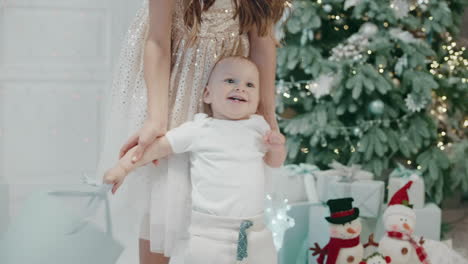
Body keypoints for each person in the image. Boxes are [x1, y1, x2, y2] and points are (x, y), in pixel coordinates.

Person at [96, 0, 287, 263]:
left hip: (227, 82)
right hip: (171, 84)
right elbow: (158, 41)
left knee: (216, 188)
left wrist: (267, 114)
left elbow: (263, 42)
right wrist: (156, 118)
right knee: (163, 193)